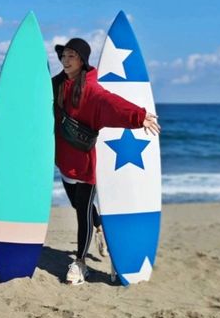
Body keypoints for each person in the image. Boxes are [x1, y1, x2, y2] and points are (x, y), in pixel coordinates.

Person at [53, 38, 161, 285]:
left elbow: (110, 103)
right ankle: (100, 228)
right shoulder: (55, 85)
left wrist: (139, 116)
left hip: (86, 160)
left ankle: (80, 263)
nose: (65, 60)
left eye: (71, 56)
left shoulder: (91, 89)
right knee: (79, 206)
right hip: (65, 157)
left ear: (82, 60)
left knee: (82, 212)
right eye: (64, 56)